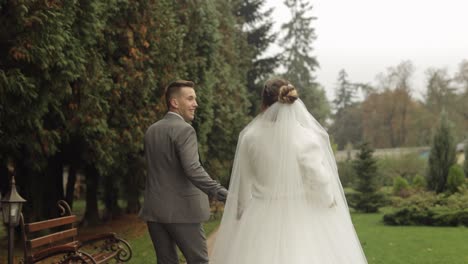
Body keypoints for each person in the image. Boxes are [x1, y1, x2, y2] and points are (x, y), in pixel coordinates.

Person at [210, 78, 368, 264]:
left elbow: (244, 183)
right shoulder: (305, 137)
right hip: (301, 215)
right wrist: (329, 201)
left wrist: (241, 214)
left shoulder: (249, 137)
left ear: (263, 104)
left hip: (260, 217)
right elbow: (318, 178)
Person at [139, 80, 228, 264]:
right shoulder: (185, 130)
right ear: (174, 102)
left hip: (154, 211)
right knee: (199, 261)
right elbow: (193, 169)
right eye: (190, 99)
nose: (195, 103)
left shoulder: (151, 130)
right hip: (182, 212)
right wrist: (222, 193)